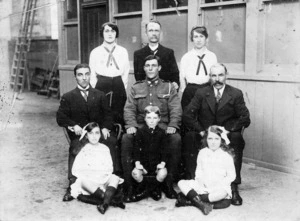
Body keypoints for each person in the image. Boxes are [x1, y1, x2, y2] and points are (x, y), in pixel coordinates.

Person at [183, 63, 251, 206]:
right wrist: (201, 130)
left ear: (226, 75)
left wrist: (227, 130)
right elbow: (187, 115)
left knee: (237, 138)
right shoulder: (201, 93)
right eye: (214, 75)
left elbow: (245, 118)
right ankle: (195, 183)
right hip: (205, 134)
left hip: (226, 134)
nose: (217, 79)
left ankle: (233, 186)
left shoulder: (235, 93)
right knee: (189, 137)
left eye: (220, 75)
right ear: (210, 77)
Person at [122, 55, 182, 202]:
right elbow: (129, 109)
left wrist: (173, 125)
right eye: (147, 65)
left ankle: (168, 184)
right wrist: (131, 126)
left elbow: (175, 108)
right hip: (141, 128)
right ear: (143, 68)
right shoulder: (136, 87)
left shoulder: (168, 87)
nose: (150, 68)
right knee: (126, 138)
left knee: (176, 139)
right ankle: (130, 186)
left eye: (153, 65)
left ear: (159, 68)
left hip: (162, 127)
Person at [56, 63, 118, 202]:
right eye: (80, 75)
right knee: (75, 147)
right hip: (82, 136)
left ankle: (113, 180)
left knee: (112, 141)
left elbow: (108, 115)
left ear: (90, 75)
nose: (84, 78)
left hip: (98, 134)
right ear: (75, 77)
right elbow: (60, 117)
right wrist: (73, 125)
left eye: (86, 74)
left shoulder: (100, 95)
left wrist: (105, 128)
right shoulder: (68, 96)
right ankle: (72, 184)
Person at [176, 125, 236, 215]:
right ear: (206, 139)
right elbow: (199, 170)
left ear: (221, 140)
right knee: (181, 183)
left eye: (216, 139)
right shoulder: (202, 152)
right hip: (203, 185)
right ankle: (202, 204)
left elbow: (231, 175)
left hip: (218, 186)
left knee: (223, 194)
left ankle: (193, 200)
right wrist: (200, 180)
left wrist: (221, 184)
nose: (213, 142)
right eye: (210, 139)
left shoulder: (226, 155)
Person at [70, 122, 125, 214]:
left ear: (100, 135)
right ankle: (110, 200)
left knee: (115, 178)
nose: (94, 136)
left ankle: (104, 204)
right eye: (91, 133)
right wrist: (90, 174)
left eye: (97, 133)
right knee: (82, 181)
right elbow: (76, 169)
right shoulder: (83, 149)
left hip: (102, 178)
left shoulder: (104, 148)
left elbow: (109, 167)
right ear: (86, 135)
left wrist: (103, 175)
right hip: (90, 180)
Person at [89, 22, 130, 125]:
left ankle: (117, 137)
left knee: (118, 113)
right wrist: (95, 88)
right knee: (101, 112)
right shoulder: (95, 52)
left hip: (118, 83)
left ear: (116, 33)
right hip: (102, 83)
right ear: (102, 33)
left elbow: (125, 71)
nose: (110, 34)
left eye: (113, 31)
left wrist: (122, 86)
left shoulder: (123, 51)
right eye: (106, 31)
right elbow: (92, 73)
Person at [131, 106, 168, 201]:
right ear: (145, 118)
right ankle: (147, 189)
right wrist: (138, 163)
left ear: (159, 119)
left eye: (155, 118)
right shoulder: (140, 132)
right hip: (144, 165)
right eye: (149, 118)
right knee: (135, 173)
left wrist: (162, 163)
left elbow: (164, 150)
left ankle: (150, 190)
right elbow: (136, 149)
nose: (152, 121)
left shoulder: (162, 133)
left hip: (156, 165)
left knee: (163, 173)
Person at [134, 20, 180, 90]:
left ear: (160, 33)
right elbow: (138, 79)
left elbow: (175, 76)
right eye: (151, 30)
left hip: (163, 94)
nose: (154, 33)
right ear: (146, 33)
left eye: (156, 30)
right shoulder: (138, 54)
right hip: (145, 93)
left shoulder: (168, 53)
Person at [180, 26, 217, 109]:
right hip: (191, 91)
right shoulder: (186, 57)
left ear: (206, 38)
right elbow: (182, 77)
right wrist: (185, 90)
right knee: (189, 116)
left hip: (207, 89)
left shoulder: (212, 56)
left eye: (201, 36)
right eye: (196, 37)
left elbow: (215, 75)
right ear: (192, 39)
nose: (199, 40)